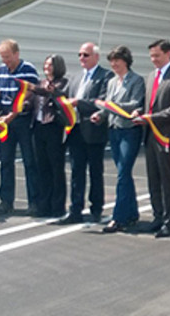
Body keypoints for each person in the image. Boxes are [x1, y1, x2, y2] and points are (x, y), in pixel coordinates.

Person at [132, 39, 170, 238]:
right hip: (150, 136)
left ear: (168, 54)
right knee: (153, 180)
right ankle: (157, 217)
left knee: (168, 180)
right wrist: (140, 112)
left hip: (167, 136)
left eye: (157, 55)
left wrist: (150, 119)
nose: (153, 60)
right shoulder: (151, 77)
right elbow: (149, 104)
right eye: (151, 56)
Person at [0, 39, 40, 216]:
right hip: (4, 120)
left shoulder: (28, 70)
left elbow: (28, 96)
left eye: (7, 57)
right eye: (2, 57)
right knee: (5, 161)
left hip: (22, 119)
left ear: (16, 54)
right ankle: (6, 201)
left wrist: (12, 116)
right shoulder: (0, 71)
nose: (5, 61)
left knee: (29, 162)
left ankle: (34, 202)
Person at [90, 46, 145, 233]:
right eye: (112, 61)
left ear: (126, 61)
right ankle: (132, 213)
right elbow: (107, 106)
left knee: (123, 173)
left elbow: (134, 104)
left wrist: (111, 106)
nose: (114, 64)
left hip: (129, 130)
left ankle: (118, 217)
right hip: (113, 130)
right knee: (124, 174)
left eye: (117, 61)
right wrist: (100, 114)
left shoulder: (136, 80)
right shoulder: (112, 82)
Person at [58, 42, 112, 224]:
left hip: (93, 130)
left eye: (86, 55)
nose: (82, 58)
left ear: (96, 57)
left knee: (95, 171)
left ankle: (96, 208)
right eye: (80, 55)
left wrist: (78, 103)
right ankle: (75, 209)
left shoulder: (105, 76)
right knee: (76, 171)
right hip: (75, 130)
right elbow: (65, 97)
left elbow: (101, 101)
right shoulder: (75, 77)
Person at [30, 54, 70, 218]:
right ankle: (43, 204)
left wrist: (47, 91)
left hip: (54, 127)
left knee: (56, 168)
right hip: (39, 126)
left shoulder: (63, 83)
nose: (47, 67)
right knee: (42, 168)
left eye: (50, 65)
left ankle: (57, 206)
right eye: (46, 64)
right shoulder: (41, 82)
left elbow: (60, 98)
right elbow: (34, 99)